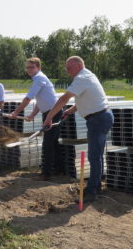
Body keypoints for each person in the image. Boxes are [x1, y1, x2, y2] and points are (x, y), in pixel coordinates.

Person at [44, 56, 114, 203]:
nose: (66, 71)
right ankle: (95, 187)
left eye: (69, 67)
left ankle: (92, 191)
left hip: (98, 119)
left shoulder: (81, 78)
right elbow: (85, 98)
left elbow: (63, 99)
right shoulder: (88, 75)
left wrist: (49, 117)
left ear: (79, 65)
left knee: (94, 156)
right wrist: (70, 111)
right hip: (101, 117)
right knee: (96, 156)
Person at [10, 57, 63, 180]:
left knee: (47, 144)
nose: (29, 69)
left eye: (31, 67)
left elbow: (28, 98)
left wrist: (16, 112)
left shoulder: (39, 79)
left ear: (38, 67)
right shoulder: (39, 78)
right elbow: (41, 101)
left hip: (53, 113)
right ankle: (59, 169)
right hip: (50, 112)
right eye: (27, 67)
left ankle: (46, 174)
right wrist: (32, 115)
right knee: (53, 143)